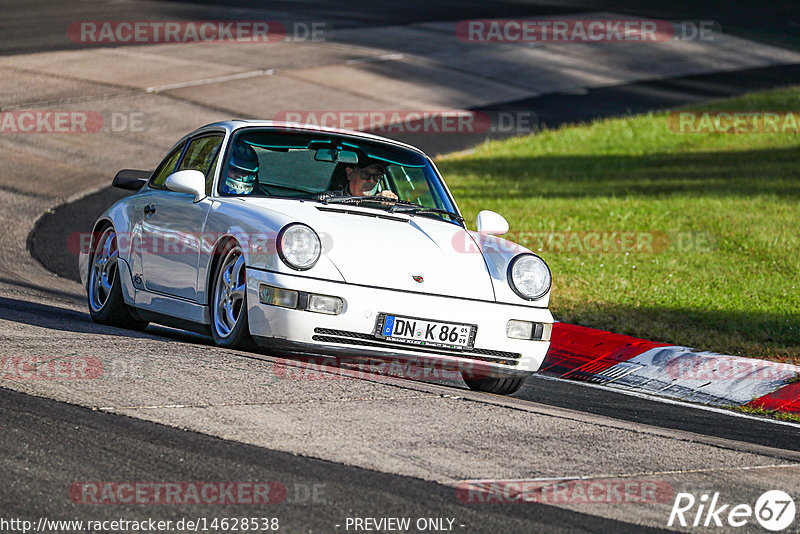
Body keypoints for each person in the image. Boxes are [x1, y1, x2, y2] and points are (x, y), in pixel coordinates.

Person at [328, 160, 398, 199]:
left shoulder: (381, 200)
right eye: (366, 174)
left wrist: (387, 200)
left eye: (376, 176)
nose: (371, 180)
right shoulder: (329, 199)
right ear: (349, 173)